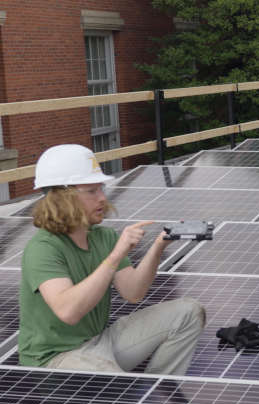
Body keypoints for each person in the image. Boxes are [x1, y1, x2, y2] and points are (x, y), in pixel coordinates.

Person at [18, 144, 205, 374]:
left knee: (188, 312)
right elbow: (68, 311)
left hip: (101, 341)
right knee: (115, 386)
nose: (103, 198)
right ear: (61, 199)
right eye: (91, 191)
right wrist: (116, 255)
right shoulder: (43, 248)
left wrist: (158, 246)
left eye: (101, 189)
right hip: (56, 357)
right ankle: (124, 397)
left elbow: (133, 292)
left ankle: (157, 392)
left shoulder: (103, 236)